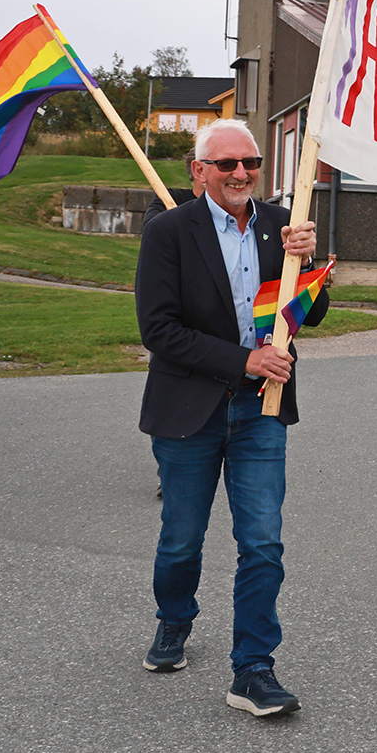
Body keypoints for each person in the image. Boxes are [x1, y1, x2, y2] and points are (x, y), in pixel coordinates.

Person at [134, 118, 325, 718]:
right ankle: (174, 619)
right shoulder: (168, 232)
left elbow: (308, 318)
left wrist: (309, 268)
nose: (242, 173)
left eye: (250, 162)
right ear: (199, 171)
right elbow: (158, 330)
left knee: (262, 541)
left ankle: (254, 670)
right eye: (227, 164)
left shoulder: (279, 226)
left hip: (261, 410)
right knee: (182, 537)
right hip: (188, 410)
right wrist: (245, 358)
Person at [141, 148, 202, 224]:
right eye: (219, 164)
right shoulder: (170, 198)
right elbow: (151, 228)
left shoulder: (220, 207)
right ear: (198, 170)